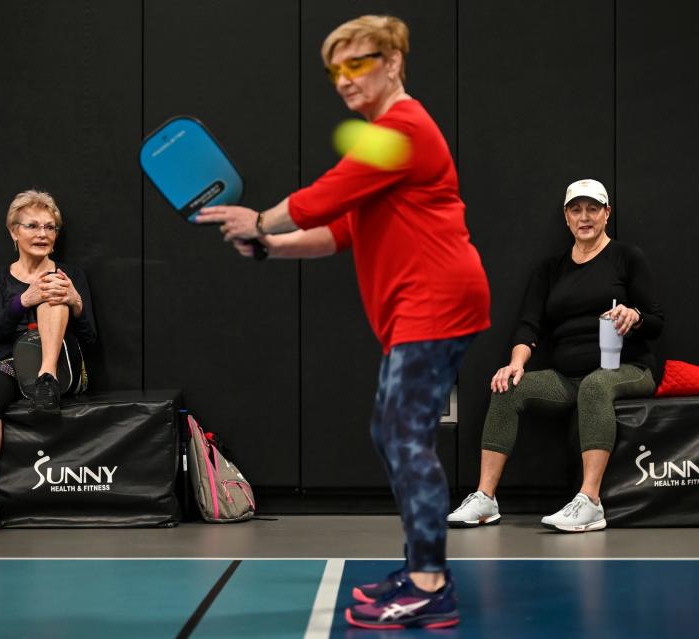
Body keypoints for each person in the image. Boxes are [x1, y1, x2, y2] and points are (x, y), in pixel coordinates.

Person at [197, 15, 489, 630]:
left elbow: (325, 196)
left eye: (358, 62)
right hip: (420, 306)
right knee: (394, 433)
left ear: (393, 61)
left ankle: (431, 584)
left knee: (405, 435)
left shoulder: (402, 129)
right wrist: (269, 246)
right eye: (336, 69)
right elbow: (341, 231)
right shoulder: (383, 136)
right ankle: (419, 569)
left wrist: (261, 222)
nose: (345, 79)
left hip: (435, 302)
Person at [448, 179, 663, 533]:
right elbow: (528, 326)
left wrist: (634, 316)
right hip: (567, 377)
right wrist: (515, 365)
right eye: (576, 210)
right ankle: (485, 499)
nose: (585, 217)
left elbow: (657, 321)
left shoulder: (626, 257)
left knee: (595, 385)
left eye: (593, 209)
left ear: (606, 214)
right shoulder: (550, 269)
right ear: (566, 217)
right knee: (508, 388)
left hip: (628, 368)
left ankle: (590, 502)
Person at [0, 190, 96, 534]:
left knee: (55, 290)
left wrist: (76, 302)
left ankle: (45, 380)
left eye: (50, 227)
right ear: (13, 232)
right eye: (33, 226)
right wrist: (22, 301)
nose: (43, 234)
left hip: (61, 364)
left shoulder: (69, 274)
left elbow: (91, 337)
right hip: (9, 364)